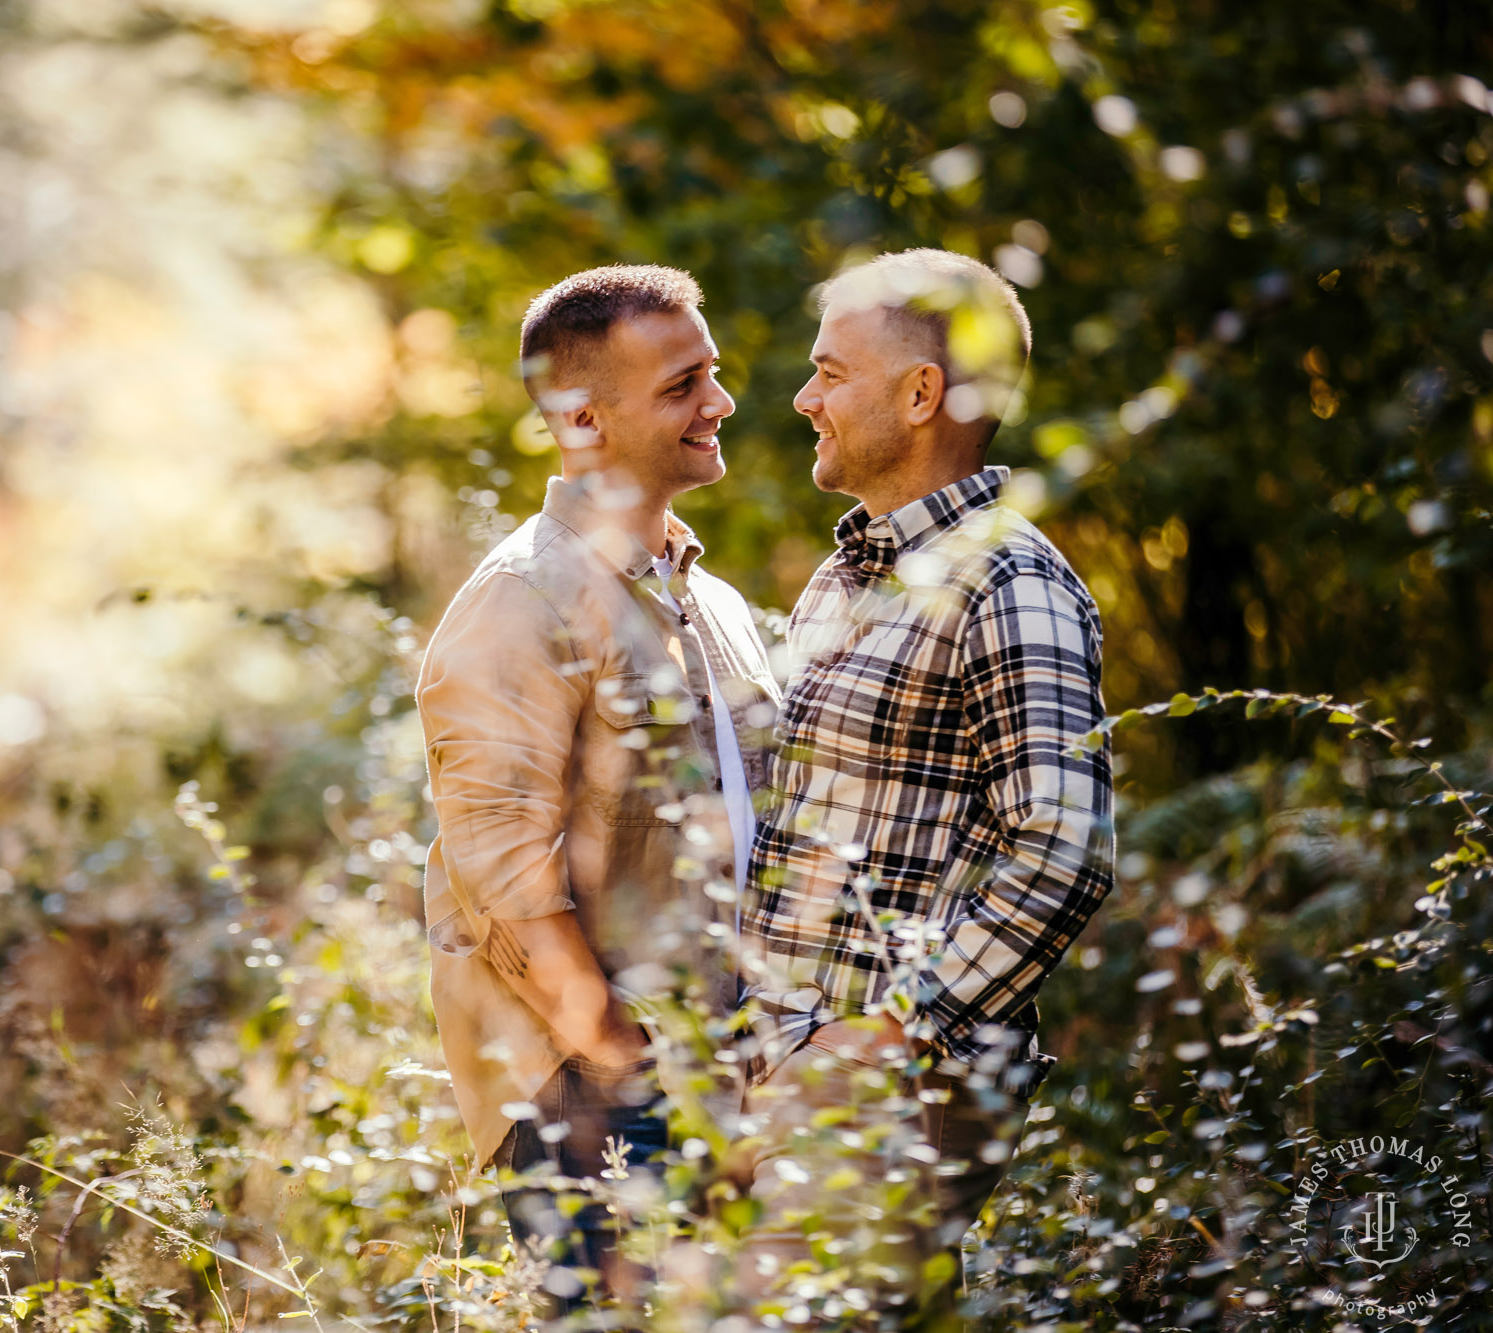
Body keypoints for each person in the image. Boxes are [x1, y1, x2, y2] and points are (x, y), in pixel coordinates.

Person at [737, 249, 1116, 1323]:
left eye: (828, 372)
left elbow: (1062, 850)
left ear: (918, 395)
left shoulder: (1010, 582)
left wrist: (887, 1032)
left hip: (887, 1080)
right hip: (794, 1065)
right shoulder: (847, 574)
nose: (804, 398)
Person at [416, 264, 778, 1315]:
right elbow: (507, 890)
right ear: (579, 417)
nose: (718, 403)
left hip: (725, 1080)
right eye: (681, 385)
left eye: (710, 373)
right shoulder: (519, 606)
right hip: (593, 1099)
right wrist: (640, 1078)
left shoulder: (710, 599)